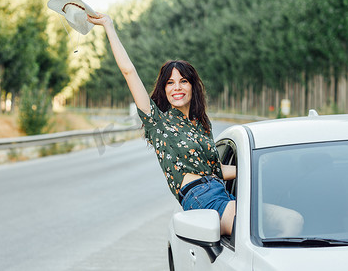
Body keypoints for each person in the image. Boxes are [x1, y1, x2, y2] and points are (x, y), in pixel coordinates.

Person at [87, 12, 237, 235]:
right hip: (199, 197)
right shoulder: (158, 123)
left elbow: (216, 170)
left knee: (287, 220)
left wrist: (256, 168)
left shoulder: (201, 124)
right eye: (170, 83)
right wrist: (109, 26)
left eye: (183, 81)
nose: (177, 87)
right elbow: (128, 71)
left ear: (193, 87)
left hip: (221, 192)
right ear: (164, 90)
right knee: (251, 227)